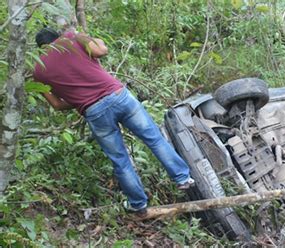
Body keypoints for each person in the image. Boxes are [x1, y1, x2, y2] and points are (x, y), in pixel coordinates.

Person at [32, 28, 194, 218]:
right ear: (57, 36)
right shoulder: (70, 38)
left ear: (40, 48)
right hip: (119, 96)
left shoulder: (38, 70)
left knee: (120, 160)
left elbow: (57, 105)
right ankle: (182, 178)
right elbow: (101, 51)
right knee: (154, 139)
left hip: (94, 112)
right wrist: (94, 39)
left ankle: (138, 204)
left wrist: (81, 98)